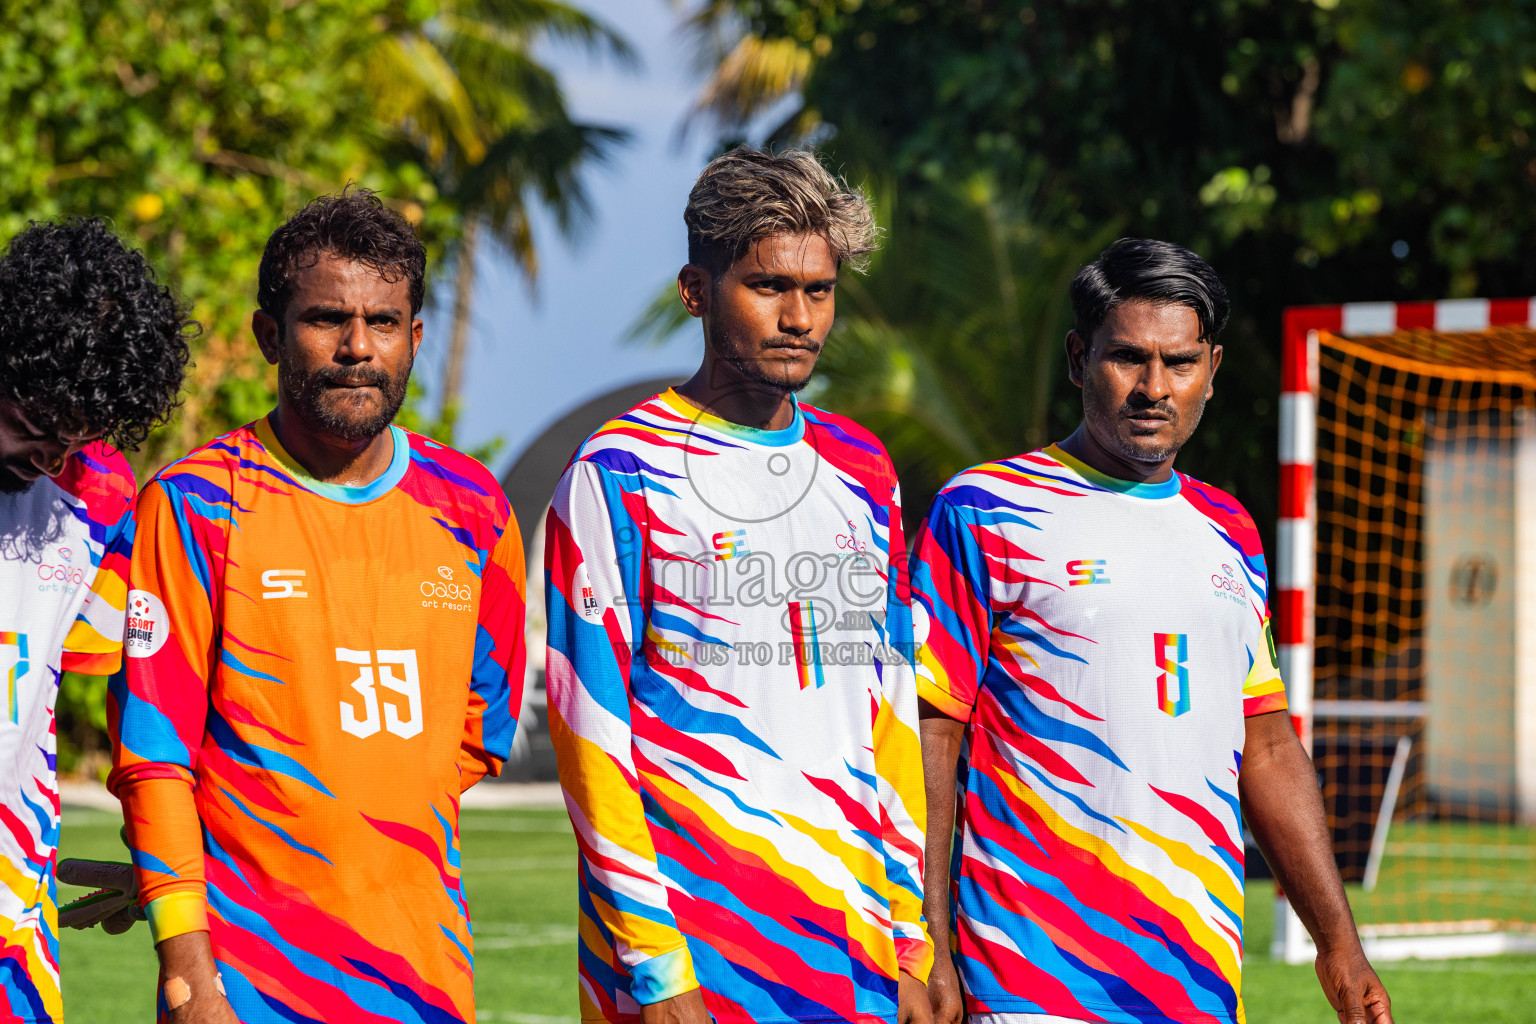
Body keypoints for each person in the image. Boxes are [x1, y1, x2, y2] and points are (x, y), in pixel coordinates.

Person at [912, 239, 1393, 1024]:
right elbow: (930, 736)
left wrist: (1338, 944)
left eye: (1180, 362)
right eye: (1128, 358)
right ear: (1079, 359)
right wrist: (926, 937)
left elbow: (1268, 747)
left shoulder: (1230, 529)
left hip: (1197, 982)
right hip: (1032, 979)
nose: (1154, 388)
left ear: (1213, 368)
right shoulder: (984, 509)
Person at [104, 190, 526, 1023]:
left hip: (426, 980)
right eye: (327, 319)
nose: (358, 347)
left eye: (384, 322)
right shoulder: (194, 504)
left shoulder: (475, 507)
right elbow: (153, 753)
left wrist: (352, 828)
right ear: (270, 335)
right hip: (242, 985)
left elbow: (480, 732)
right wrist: (188, 968)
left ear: (414, 336)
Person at [545, 147, 932, 1024]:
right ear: (696, 290)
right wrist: (654, 966)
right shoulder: (618, 470)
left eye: (820, 291)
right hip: (690, 959)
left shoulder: (864, 469)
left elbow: (889, 714)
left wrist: (910, 937)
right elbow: (589, 732)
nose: (799, 318)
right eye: (768, 287)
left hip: (855, 955)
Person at [0, 218, 192, 1021]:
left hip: (11, 916)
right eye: (34, 426)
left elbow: (144, 696)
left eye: (74, 438)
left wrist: (164, 857)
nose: (50, 458)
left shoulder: (103, 498)